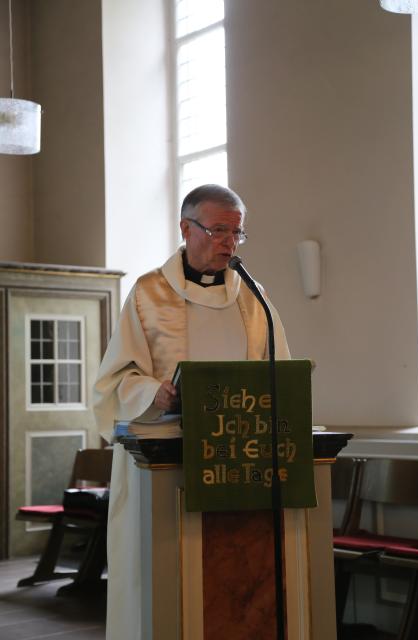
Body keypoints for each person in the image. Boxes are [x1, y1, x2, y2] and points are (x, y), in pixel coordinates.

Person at [93, 183, 290, 639]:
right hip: (163, 464)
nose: (229, 243)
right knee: (165, 582)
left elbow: (278, 373)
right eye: (219, 230)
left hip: (236, 462)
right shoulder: (147, 294)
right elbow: (112, 382)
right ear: (186, 228)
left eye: (238, 233)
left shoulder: (254, 298)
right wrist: (153, 393)